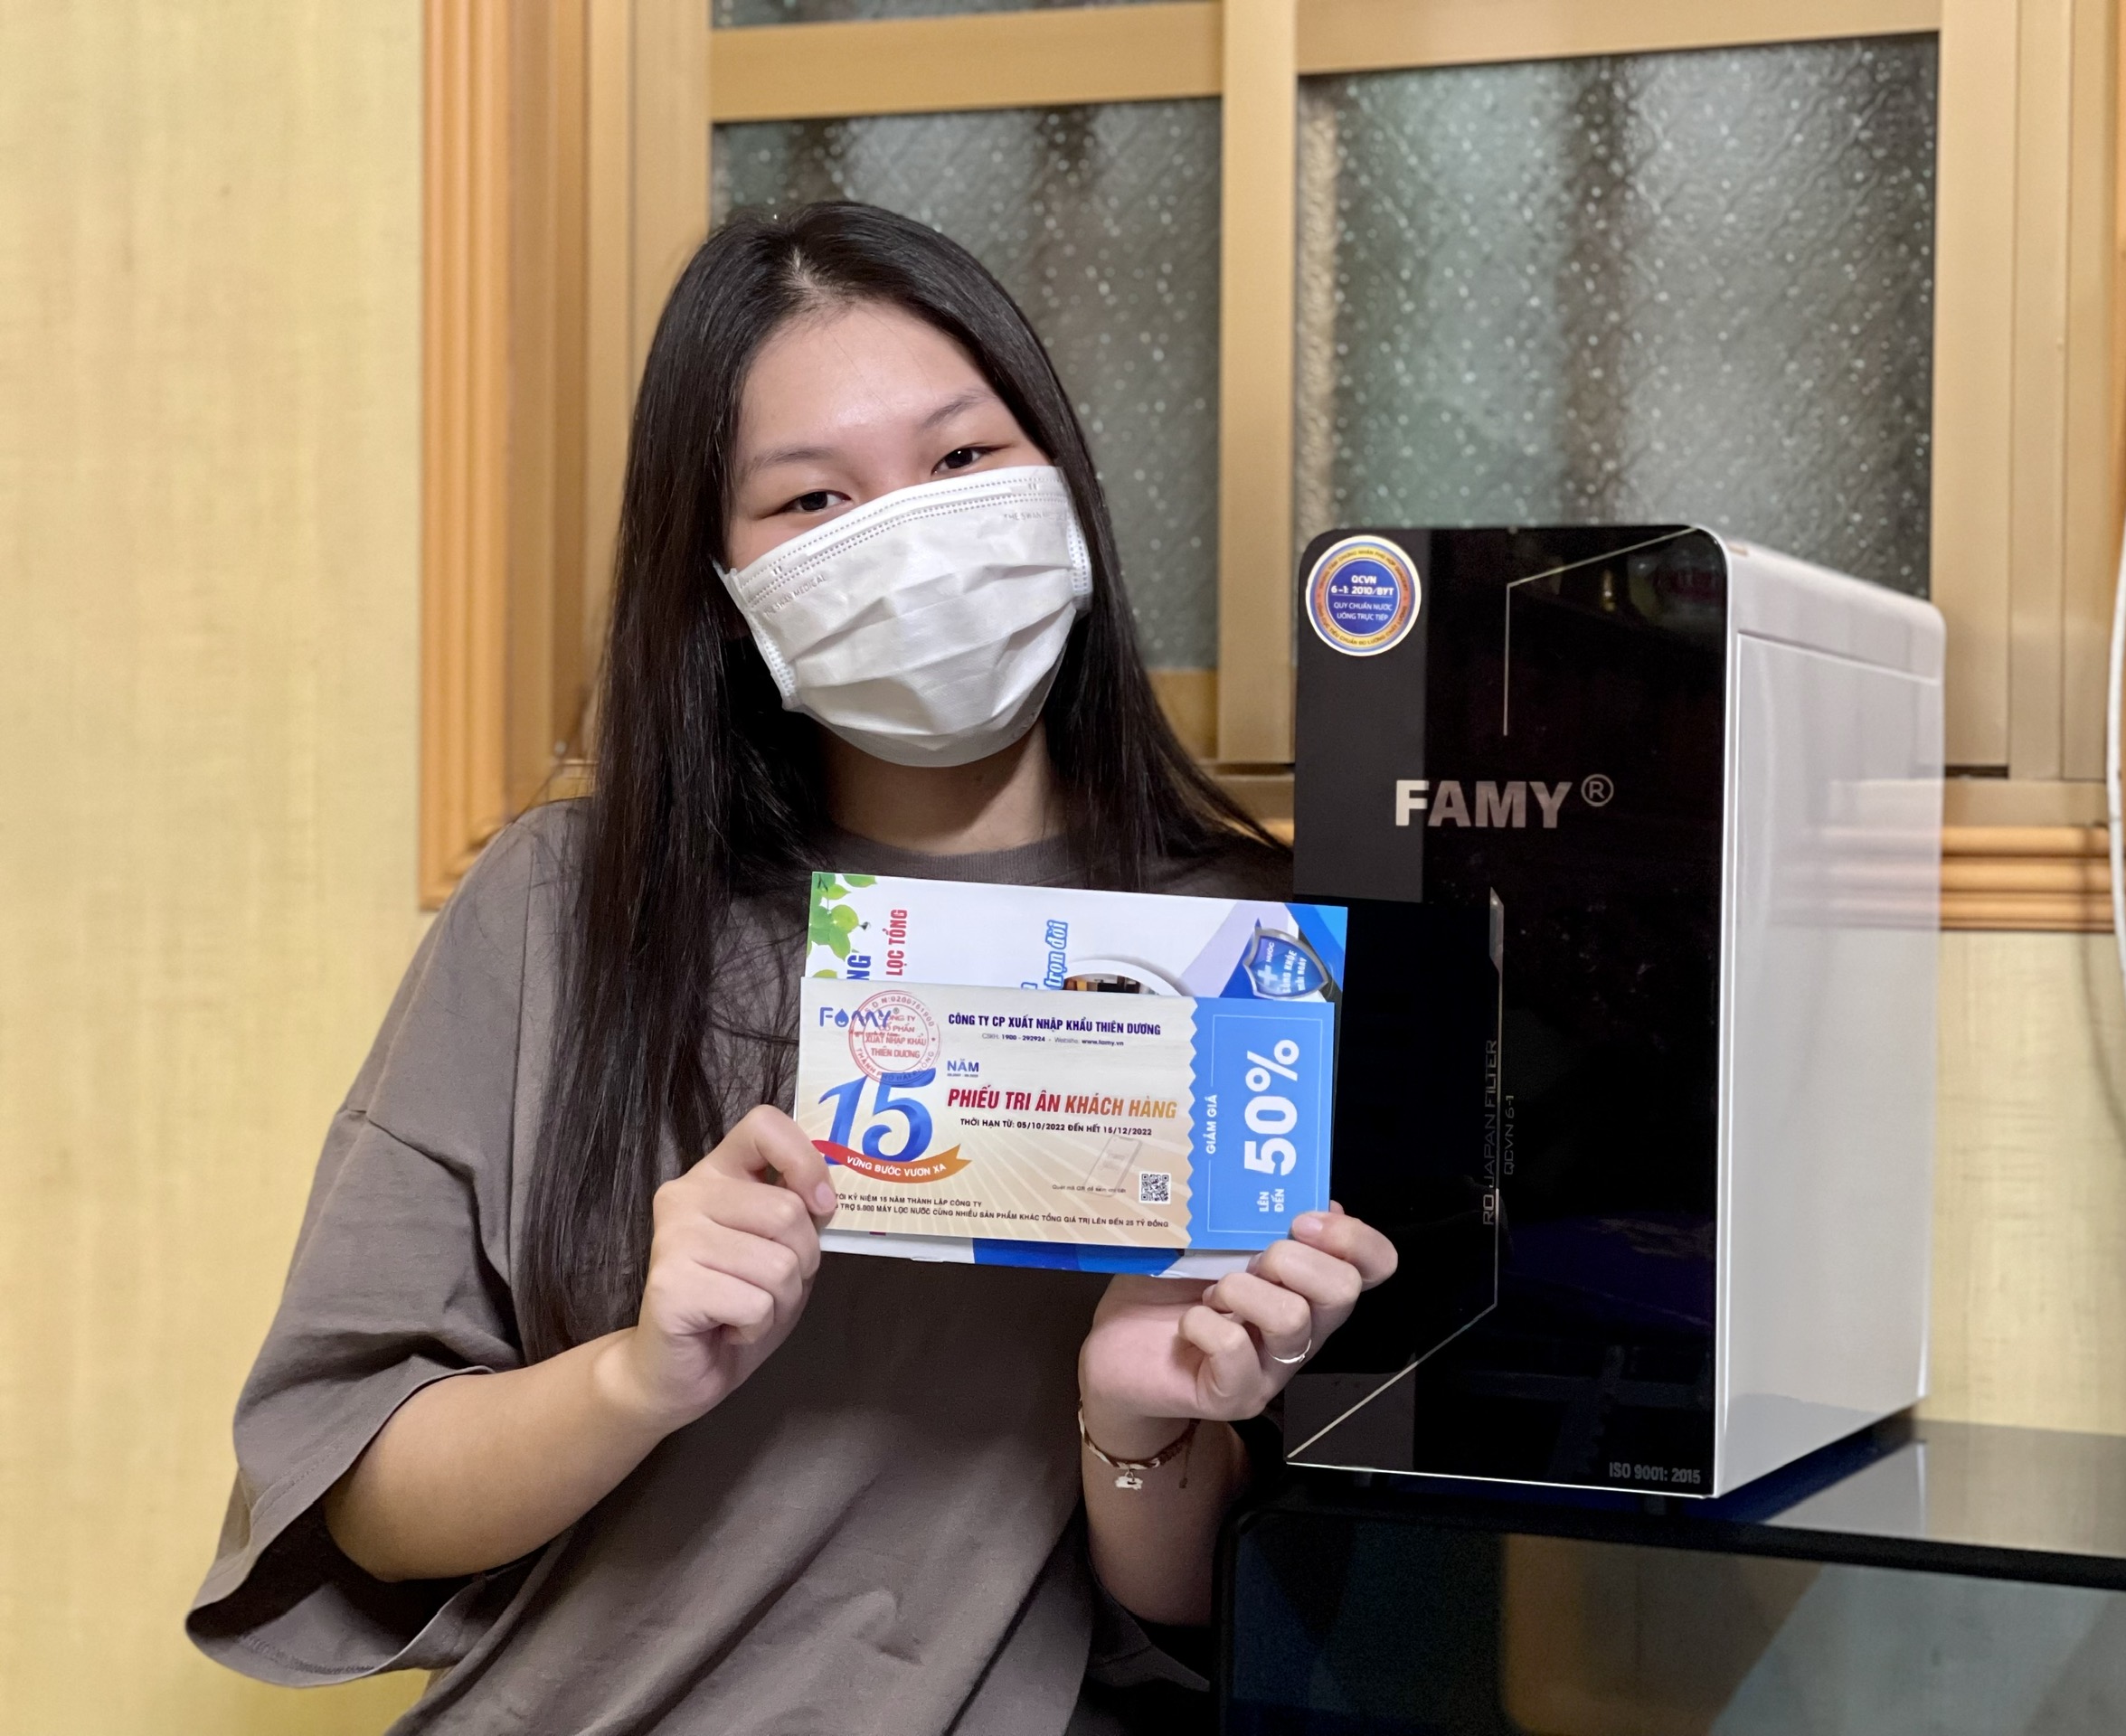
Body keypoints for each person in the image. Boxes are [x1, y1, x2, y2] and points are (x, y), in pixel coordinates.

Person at [186, 203, 1397, 1733]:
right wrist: (639, 1375)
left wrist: (1136, 1420)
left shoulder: (1254, 961)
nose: (912, 535)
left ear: (1064, 480)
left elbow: (1247, 1622)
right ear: (722, 579)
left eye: (962, 459)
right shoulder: (568, 905)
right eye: (813, 497)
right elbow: (363, 1500)